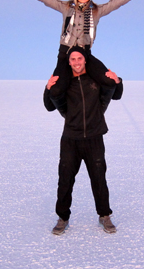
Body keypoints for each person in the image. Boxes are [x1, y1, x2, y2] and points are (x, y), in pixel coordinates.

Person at [8, 0, 144, 111]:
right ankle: (69, 114)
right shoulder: (65, 7)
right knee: (56, 90)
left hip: (85, 54)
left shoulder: (97, 10)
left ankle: (97, 111)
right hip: (65, 55)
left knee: (109, 80)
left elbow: (118, 2)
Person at [43, 46, 123, 235]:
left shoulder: (94, 79)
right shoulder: (65, 82)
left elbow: (117, 94)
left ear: (85, 59)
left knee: (99, 179)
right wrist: (47, 89)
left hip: (94, 137)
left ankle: (104, 215)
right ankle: (62, 218)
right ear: (68, 62)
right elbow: (48, 106)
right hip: (71, 138)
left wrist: (117, 81)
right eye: (73, 59)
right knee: (65, 180)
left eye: (79, 58)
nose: (76, 62)